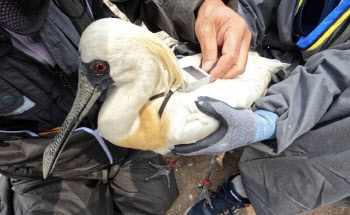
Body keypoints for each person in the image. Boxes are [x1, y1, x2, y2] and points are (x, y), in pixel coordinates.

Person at [151, 0, 350, 214]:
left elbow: (338, 71)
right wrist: (228, 29)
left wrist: (271, 120)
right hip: (254, 50)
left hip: (323, 84)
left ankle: (245, 189)